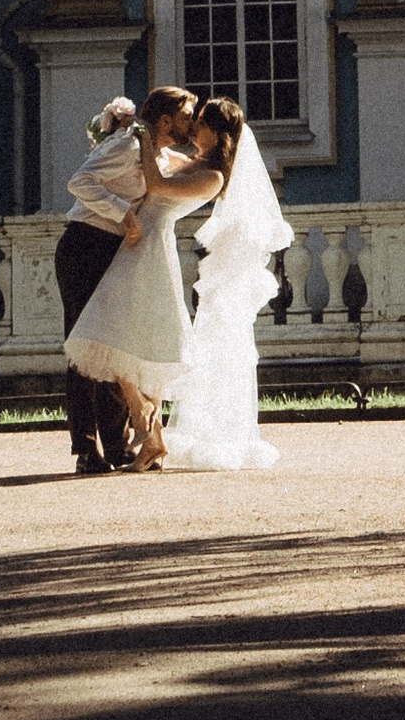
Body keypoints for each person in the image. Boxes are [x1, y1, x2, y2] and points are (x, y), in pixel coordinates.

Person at [64, 90, 290, 468]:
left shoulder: (213, 176)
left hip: (149, 248)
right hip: (138, 246)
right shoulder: (193, 161)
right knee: (119, 336)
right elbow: (156, 161)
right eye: (190, 118)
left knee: (126, 337)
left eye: (199, 122)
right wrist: (130, 132)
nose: (192, 127)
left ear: (216, 133)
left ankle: (145, 430)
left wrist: (143, 137)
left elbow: (155, 184)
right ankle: (145, 435)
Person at [55, 88, 200, 475]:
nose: (191, 124)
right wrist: (125, 214)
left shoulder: (156, 153)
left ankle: (118, 445)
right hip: (85, 246)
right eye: (186, 117)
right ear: (165, 121)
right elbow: (80, 182)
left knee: (117, 343)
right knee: (87, 346)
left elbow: (190, 165)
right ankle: (87, 450)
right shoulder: (128, 145)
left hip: (116, 249)